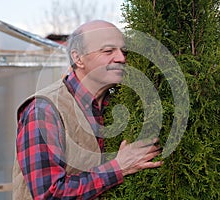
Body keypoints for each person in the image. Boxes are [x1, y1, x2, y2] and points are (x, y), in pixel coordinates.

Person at [12, 20, 162, 200]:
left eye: (123, 51)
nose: (121, 58)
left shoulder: (116, 105)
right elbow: (49, 194)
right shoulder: (44, 110)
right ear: (78, 58)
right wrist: (118, 167)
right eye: (108, 51)